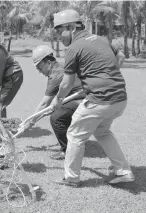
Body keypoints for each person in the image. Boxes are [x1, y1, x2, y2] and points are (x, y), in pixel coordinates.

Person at [50, 9, 134, 186]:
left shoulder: (73, 48)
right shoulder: (100, 39)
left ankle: (72, 178)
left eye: (60, 31)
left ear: (72, 27)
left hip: (100, 100)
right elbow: (121, 57)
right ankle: (123, 171)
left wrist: (57, 100)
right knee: (102, 132)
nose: (58, 36)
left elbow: (66, 83)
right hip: (120, 98)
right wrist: (107, 77)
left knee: (74, 134)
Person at [31, 45, 85, 160]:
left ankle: (67, 151)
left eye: (40, 67)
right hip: (79, 97)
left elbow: (44, 104)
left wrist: (30, 122)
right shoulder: (60, 65)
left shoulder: (56, 75)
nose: (40, 72)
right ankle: (73, 142)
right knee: (59, 111)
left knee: (57, 117)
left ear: (48, 62)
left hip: (81, 99)